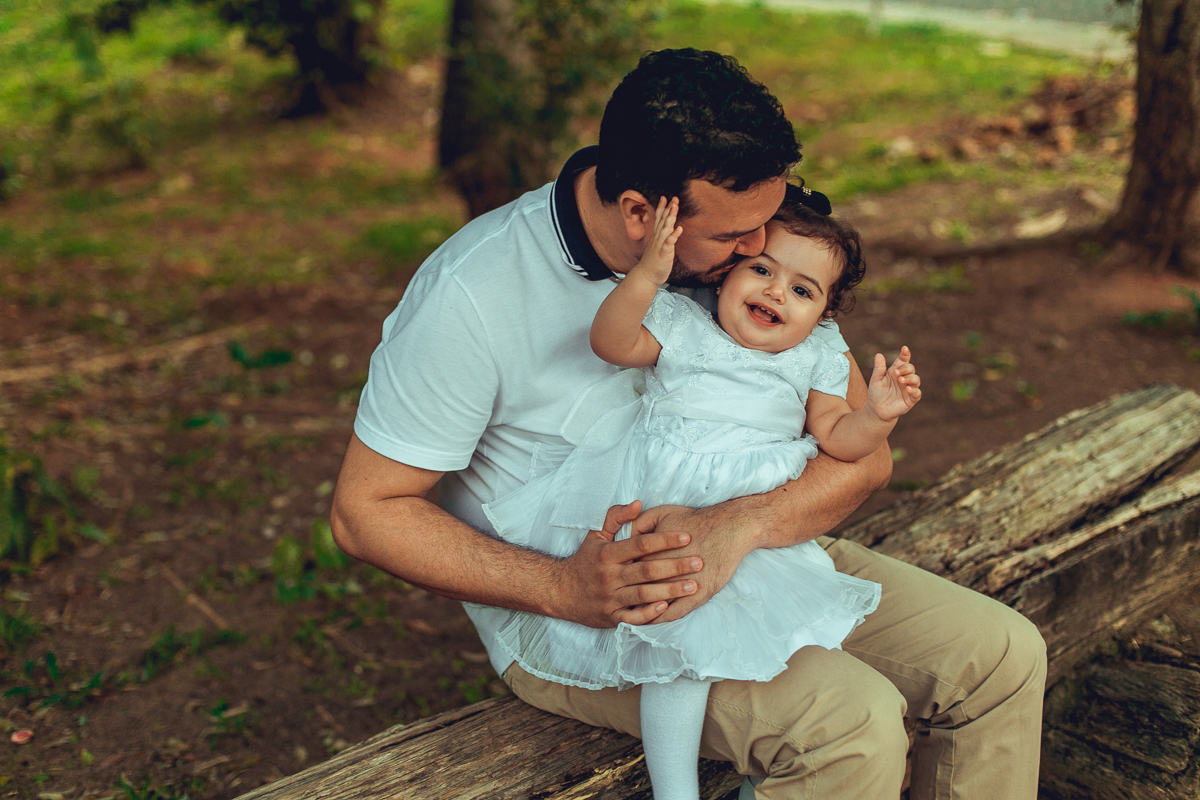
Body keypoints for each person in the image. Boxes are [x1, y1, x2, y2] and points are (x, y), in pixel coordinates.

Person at [331, 48, 1047, 799]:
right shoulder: (471, 295)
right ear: (643, 213)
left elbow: (863, 460)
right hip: (596, 606)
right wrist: (564, 588)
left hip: (761, 554)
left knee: (1001, 657)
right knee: (852, 726)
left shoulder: (747, 266)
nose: (758, 252)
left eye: (766, 227)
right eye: (738, 237)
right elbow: (365, 513)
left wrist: (741, 526)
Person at [481, 193, 921, 800]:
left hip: (748, 531)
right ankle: (675, 790)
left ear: (822, 314)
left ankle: (766, 777)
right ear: (728, 275)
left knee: (760, 644)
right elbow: (611, 342)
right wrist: (647, 277)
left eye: (802, 290)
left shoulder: (815, 354)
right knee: (678, 650)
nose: (775, 293)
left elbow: (841, 441)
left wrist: (878, 414)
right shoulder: (686, 326)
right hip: (668, 505)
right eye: (762, 270)